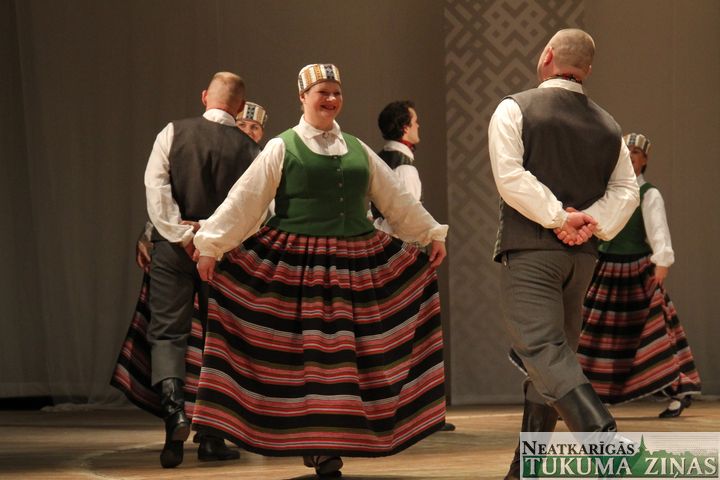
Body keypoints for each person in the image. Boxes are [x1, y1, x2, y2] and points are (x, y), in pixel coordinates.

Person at [189, 63, 448, 479]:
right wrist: (211, 245)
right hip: (298, 268)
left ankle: (331, 441)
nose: (330, 99)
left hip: (354, 265)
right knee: (308, 362)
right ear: (302, 97)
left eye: (336, 92)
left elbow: (395, 198)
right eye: (322, 92)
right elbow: (246, 200)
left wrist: (429, 233)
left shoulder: (357, 148)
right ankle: (317, 444)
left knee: (345, 360)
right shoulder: (282, 146)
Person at [487, 29, 639, 479]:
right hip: (583, 258)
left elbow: (510, 176)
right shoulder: (609, 125)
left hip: (531, 250)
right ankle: (526, 468)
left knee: (541, 351)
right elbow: (626, 190)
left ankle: (605, 442)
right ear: (587, 69)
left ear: (547, 56)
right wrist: (591, 221)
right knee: (553, 361)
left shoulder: (514, 107)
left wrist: (558, 218)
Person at [114, 72, 261, 469]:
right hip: (224, 255)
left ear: (204, 97)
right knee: (219, 341)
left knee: (167, 334)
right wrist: (211, 235)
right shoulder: (251, 150)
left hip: (173, 251)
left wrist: (182, 236)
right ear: (239, 107)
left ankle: (174, 417)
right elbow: (258, 210)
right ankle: (212, 436)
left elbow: (156, 189)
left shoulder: (173, 132)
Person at [577, 133, 701, 418]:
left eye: (635, 152)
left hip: (635, 271)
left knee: (653, 333)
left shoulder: (648, 193)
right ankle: (580, 397)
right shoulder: (610, 192)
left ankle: (677, 390)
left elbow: (658, 228)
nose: (630, 157)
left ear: (644, 159)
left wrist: (662, 261)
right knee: (594, 335)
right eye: (626, 151)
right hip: (605, 268)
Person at [370, 100, 456, 433]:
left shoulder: (380, 159)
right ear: (405, 127)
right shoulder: (404, 167)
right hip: (398, 257)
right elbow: (404, 217)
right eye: (415, 122)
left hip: (382, 253)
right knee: (412, 335)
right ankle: (414, 413)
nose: (419, 127)